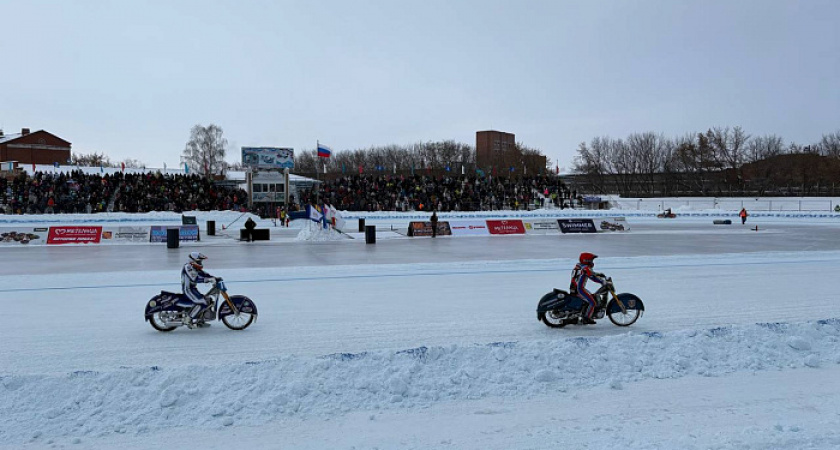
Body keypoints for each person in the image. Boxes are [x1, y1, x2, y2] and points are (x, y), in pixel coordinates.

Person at [181, 252, 216, 328]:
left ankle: (200, 321)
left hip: (193, 289)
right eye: (199, 261)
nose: (200, 263)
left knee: (207, 300)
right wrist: (207, 279)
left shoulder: (194, 267)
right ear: (194, 260)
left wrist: (214, 278)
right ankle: (188, 319)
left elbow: (203, 274)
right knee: (202, 303)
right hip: (188, 290)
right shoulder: (188, 267)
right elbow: (195, 278)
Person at [569, 252, 605, 325]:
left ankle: (582, 314)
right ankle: (587, 318)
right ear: (587, 260)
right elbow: (592, 277)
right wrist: (602, 281)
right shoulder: (585, 268)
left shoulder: (580, 266)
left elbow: (590, 273)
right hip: (579, 289)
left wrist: (598, 274)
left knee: (591, 297)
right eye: (591, 260)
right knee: (592, 302)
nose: (592, 262)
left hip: (575, 288)